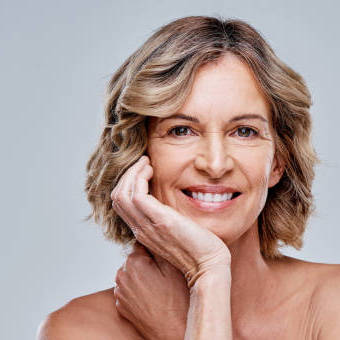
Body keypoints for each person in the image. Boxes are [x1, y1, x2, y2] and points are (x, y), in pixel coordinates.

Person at [37, 16, 340, 339]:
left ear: (278, 161)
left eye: (244, 131)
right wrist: (207, 275)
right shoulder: (78, 330)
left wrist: (184, 316)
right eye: (181, 130)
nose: (215, 163)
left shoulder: (331, 301)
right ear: (138, 154)